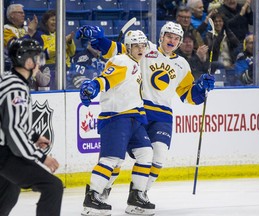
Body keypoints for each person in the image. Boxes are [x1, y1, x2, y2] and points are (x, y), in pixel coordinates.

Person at [76, 21, 215, 210]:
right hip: (137, 111)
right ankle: (100, 190)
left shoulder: (182, 65)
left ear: (180, 41)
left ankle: (139, 194)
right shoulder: (144, 48)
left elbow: (188, 96)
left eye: (176, 38)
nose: (171, 41)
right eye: (168, 36)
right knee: (115, 158)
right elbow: (116, 50)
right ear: (161, 36)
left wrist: (201, 89)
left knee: (156, 157)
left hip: (162, 117)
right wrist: (99, 39)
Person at [79, 30, 155, 216]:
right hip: (116, 117)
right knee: (112, 160)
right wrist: (94, 87)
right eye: (136, 45)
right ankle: (92, 199)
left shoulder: (137, 62)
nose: (140, 49)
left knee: (146, 153)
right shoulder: (122, 61)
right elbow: (106, 78)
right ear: (128, 47)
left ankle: (136, 197)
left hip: (135, 118)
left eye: (142, 45)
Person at [0, 38, 63, 216]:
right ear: (28, 61)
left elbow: (9, 120)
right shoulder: (16, 89)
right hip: (3, 153)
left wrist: (34, 137)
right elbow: (13, 130)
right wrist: (42, 157)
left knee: (10, 190)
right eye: (37, 58)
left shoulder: (8, 80)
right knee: (53, 186)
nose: (39, 63)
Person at [32, 10, 76, 90]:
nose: (55, 22)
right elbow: (43, 55)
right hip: (49, 69)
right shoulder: (40, 35)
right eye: (52, 20)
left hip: (66, 68)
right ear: (46, 22)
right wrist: (63, 42)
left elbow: (72, 53)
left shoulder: (60, 33)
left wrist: (69, 41)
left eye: (57, 20)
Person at [4, 4, 38, 72]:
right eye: (20, 12)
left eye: (23, 12)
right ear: (12, 15)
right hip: (10, 68)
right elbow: (15, 47)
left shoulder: (26, 29)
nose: (23, 15)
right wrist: (30, 33)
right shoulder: (5, 29)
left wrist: (34, 33)